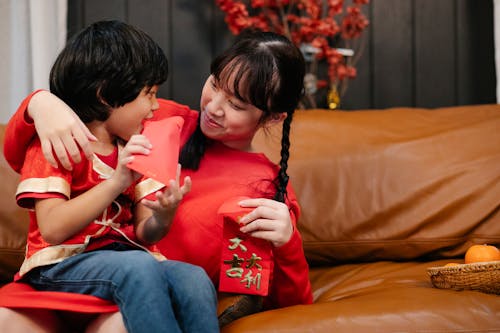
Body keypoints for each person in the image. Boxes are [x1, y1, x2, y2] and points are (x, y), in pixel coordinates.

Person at [3, 28, 313, 329]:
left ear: (274, 117)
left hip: (148, 293)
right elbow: (82, 101)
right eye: (215, 85)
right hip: (75, 271)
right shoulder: (153, 118)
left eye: (235, 104)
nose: (214, 107)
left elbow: (289, 309)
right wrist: (40, 103)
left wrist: (288, 244)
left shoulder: (266, 194)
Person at [0, 20, 219, 333]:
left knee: (193, 278)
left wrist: (164, 216)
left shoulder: (134, 145)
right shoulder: (57, 143)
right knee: (138, 265)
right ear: (105, 95)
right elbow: (53, 228)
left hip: (125, 260)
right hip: (60, 263)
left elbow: (146, 235)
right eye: (149, 94)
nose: (155, 107)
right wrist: (117, 181)